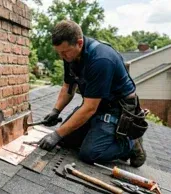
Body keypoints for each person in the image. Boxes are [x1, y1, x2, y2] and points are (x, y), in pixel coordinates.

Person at [38, 20, 146, 167]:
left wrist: (56, 134)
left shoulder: (101, 59)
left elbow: (89, 108)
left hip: (117, 109)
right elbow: (68, 87)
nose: (62, 56)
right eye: (59, 53)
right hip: (96, 104)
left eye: (64, 52)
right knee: (65, 140)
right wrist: (55, 111)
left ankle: (131, 143)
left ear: (80, 43)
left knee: (89, 153)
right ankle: (97, 134)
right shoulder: (70, 55)